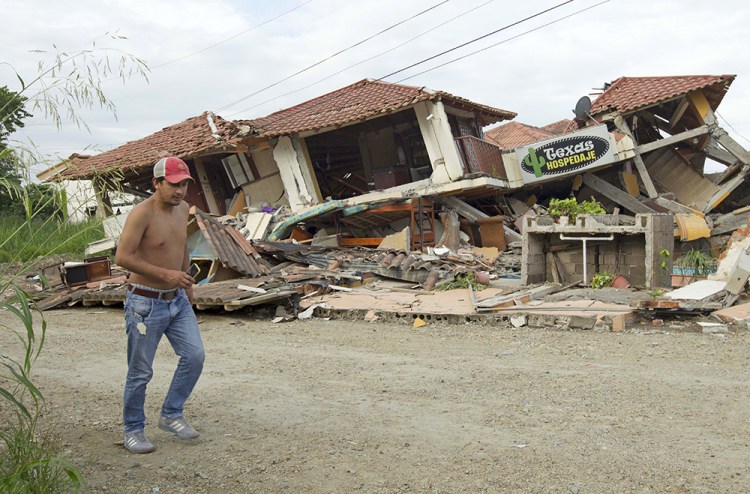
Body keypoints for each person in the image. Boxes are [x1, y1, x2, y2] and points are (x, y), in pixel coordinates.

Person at [115, 156, 205, 454]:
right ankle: (133, 430)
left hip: (177, 300)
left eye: (184, 185)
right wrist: (167, 274)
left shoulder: (182, 210)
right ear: (157, 183)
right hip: (144, 301)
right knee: (140, 371)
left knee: (194, 356)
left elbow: (181, 251)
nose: (180, 191)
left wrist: (188, 294)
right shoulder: (141, 214)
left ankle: (171, 413)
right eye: (174, 184)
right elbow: (123, 258)